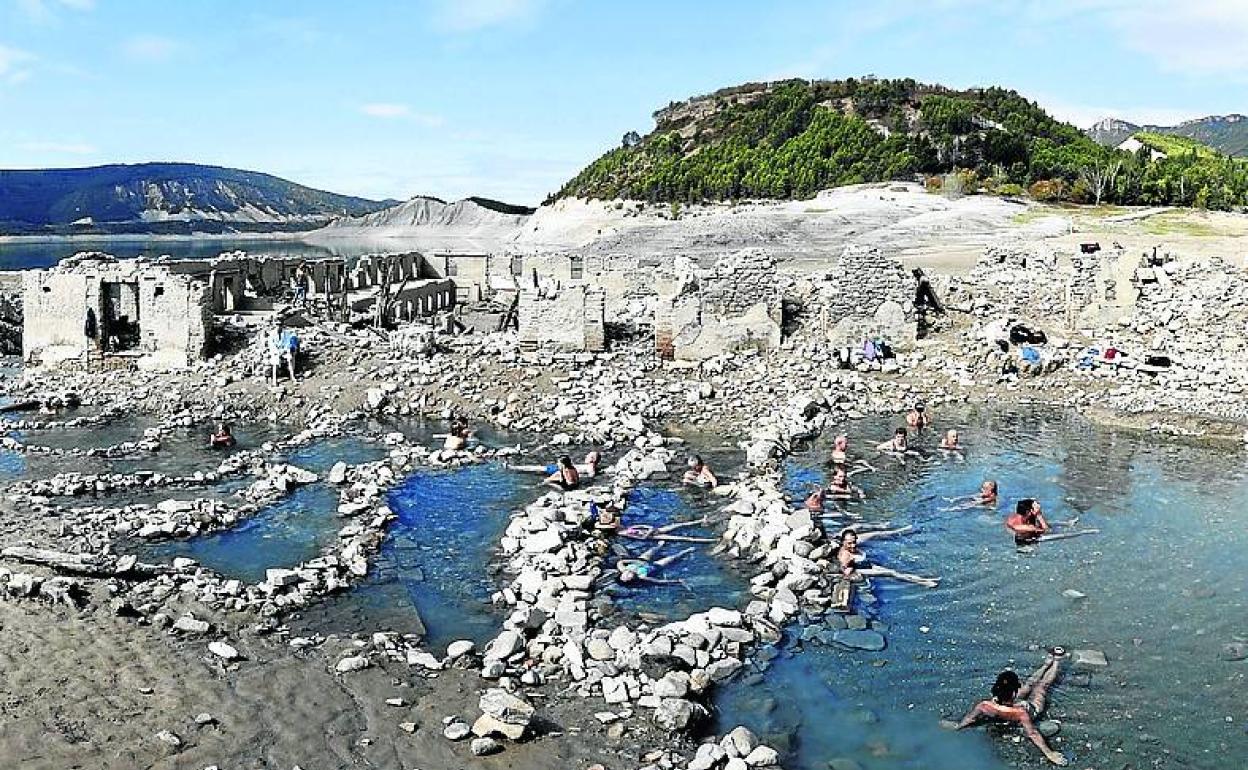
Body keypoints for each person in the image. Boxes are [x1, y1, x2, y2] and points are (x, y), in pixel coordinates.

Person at [951, 654, 1069, 766]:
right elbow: (1033, 733)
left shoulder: (984, 705)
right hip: (1030, 709)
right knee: (1041, 687)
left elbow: (970, 718)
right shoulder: (1020, 713)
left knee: (1028, 685)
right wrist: (1049, 753)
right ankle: (1055, 662)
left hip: (1008, 707)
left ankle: (1046, 664)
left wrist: (958, 726)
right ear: (1013, 696)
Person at [836, 527, 939, 587]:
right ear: (843, 542)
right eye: (849, 543)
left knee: (895, 571)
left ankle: (923, 579)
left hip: (865, 565)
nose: (853, 545)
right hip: (861, 569)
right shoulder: (845, 556)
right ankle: (925, 583)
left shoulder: (850, 549)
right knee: (892, 573)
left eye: (854, 542)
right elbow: (845, 572)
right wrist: (856, 575)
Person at [614, 544, 694, 586]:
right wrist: (677, 581)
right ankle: (686, 551)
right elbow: (658, 581)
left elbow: (620, 562)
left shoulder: (622, 568)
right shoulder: (641, 576)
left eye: (623, 576)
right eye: (628, 578)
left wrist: (635, 561)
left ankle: (660, 545)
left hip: (641, 560)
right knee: (671, 558)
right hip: (654, 566)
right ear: (632, 579)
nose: (627, 575)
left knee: (651, 550)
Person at [619, 517, 715, 543]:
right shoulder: (627, 534)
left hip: (656, 530)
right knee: (684, 538)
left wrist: (649, 528)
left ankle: (701, 520)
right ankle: (711, 540)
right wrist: (649, 531)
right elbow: (643, 538)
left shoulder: (629, 528)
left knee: (678, 525)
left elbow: (642, 525)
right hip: (654, 536)